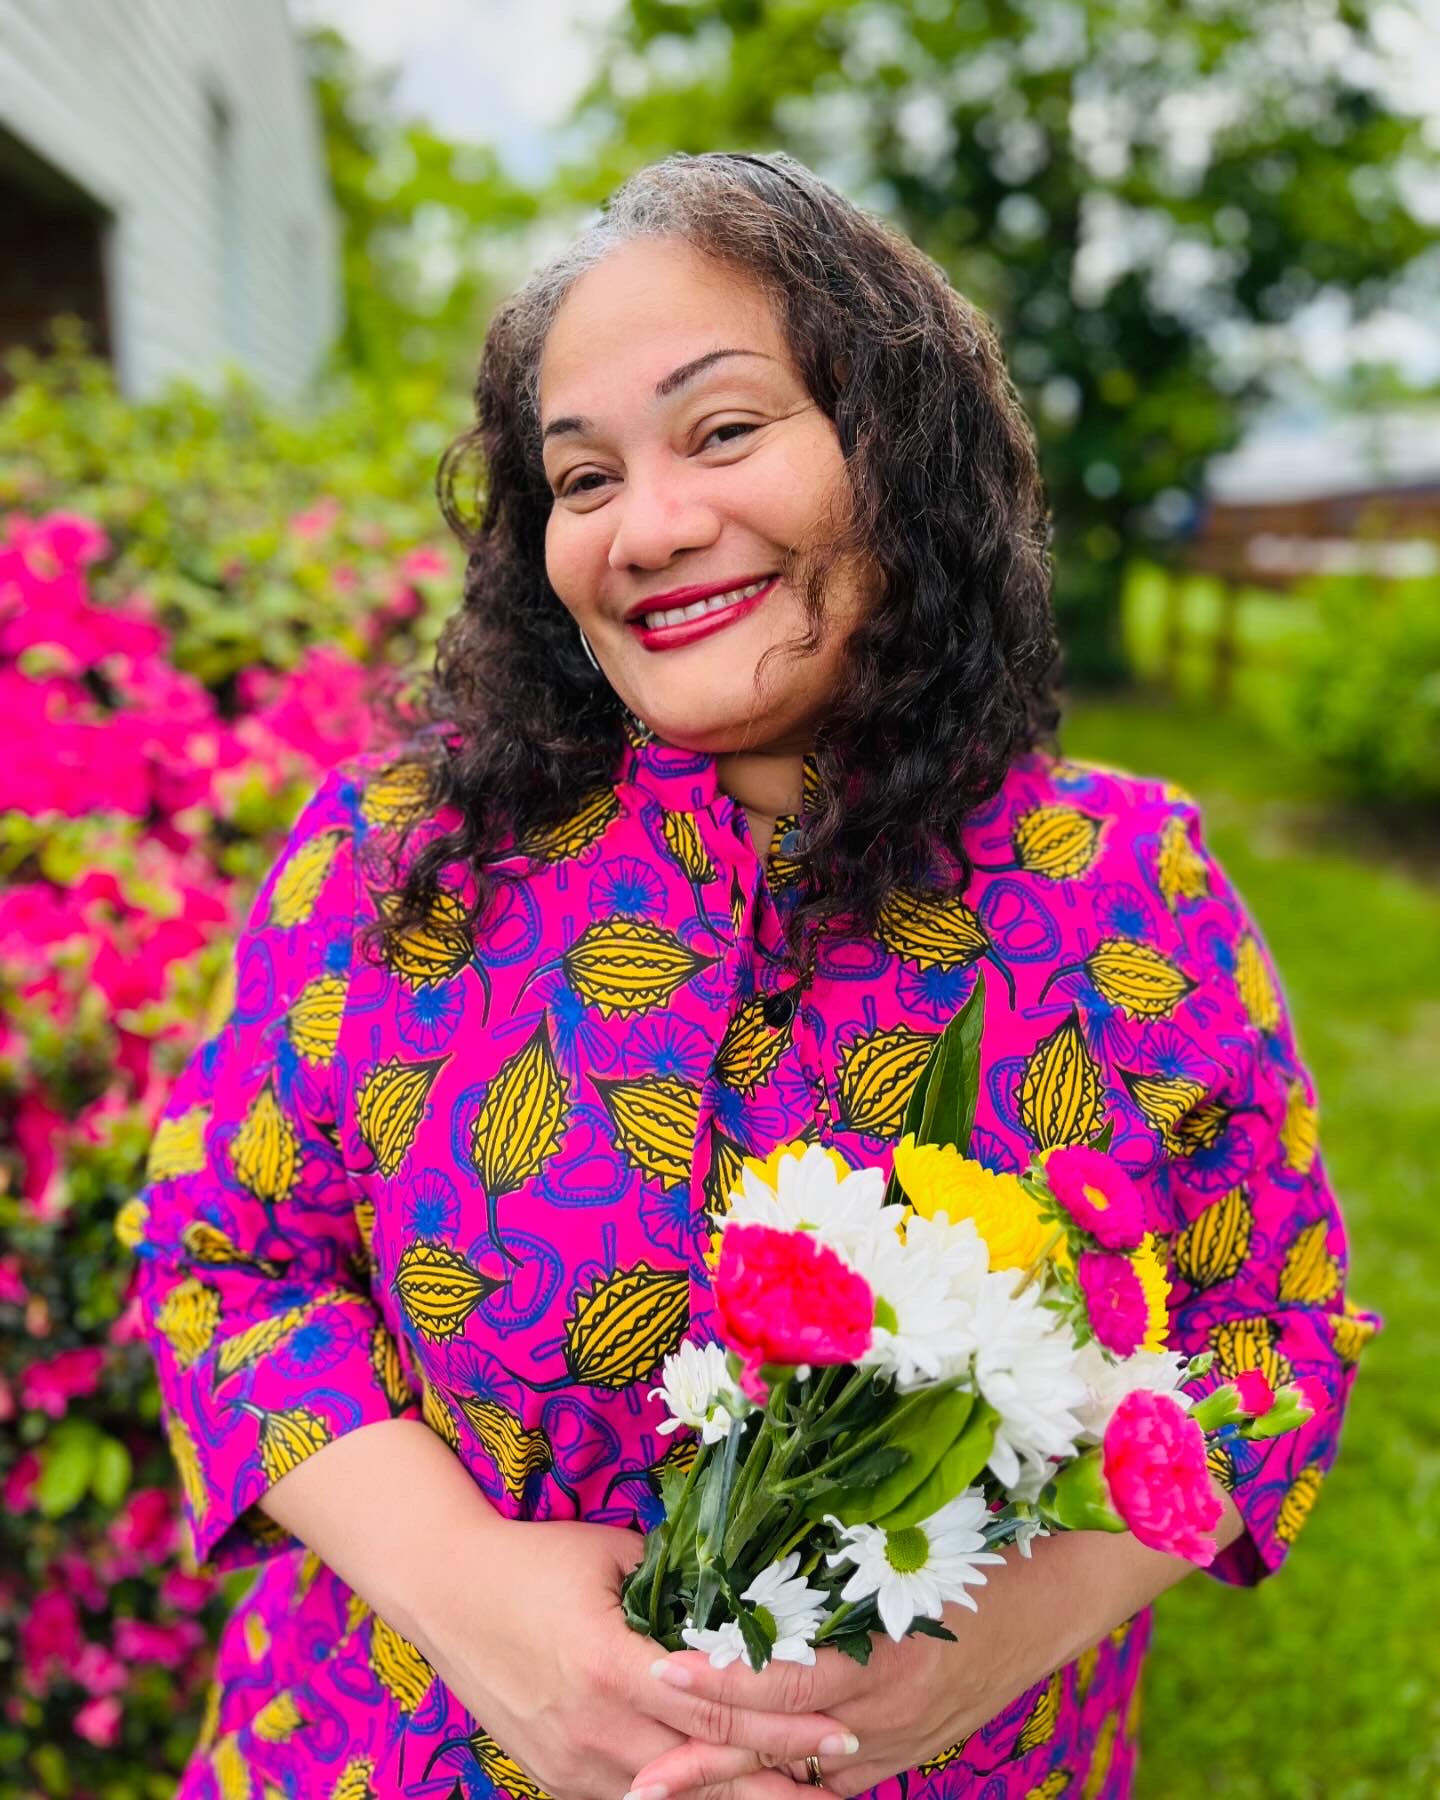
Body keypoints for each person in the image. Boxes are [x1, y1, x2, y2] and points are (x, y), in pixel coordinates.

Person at [124, 150, 1371, 1800]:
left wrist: (959, 1672)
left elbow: (1269, 1338)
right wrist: (480, 1610)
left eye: (723, 430)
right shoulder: (399, 855)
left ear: (897, 454)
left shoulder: (1125, 888)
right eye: (581, 478)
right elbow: (229, 1264)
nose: (650, 525)